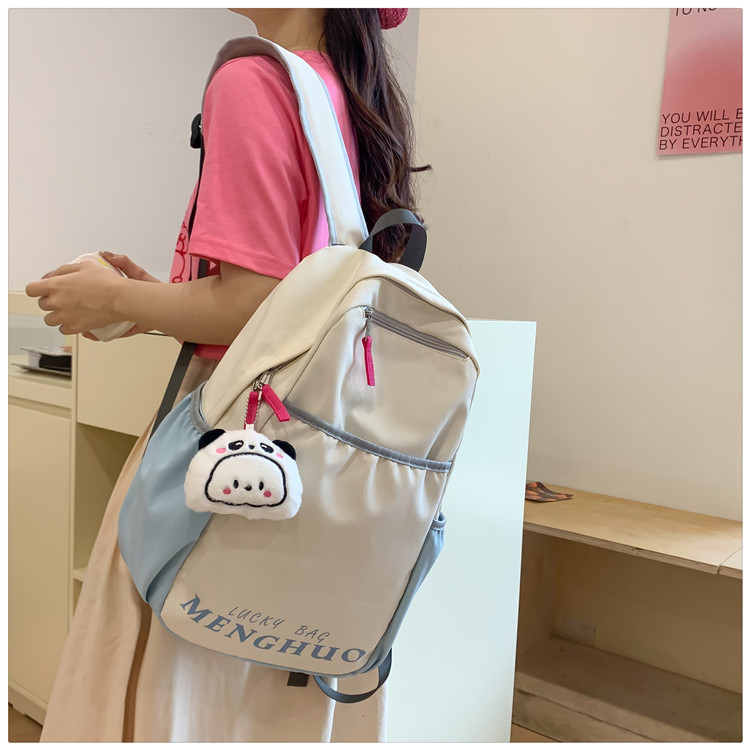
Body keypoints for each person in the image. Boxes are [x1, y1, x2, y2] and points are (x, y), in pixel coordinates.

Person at [25, 8, 423, 742]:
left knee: (183, 681)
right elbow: (291, 301)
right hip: (319, 451)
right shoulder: (347, 93)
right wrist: (158, 301)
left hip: (230, 449)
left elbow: (254, 302)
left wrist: (114, 300)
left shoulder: (251, 79)